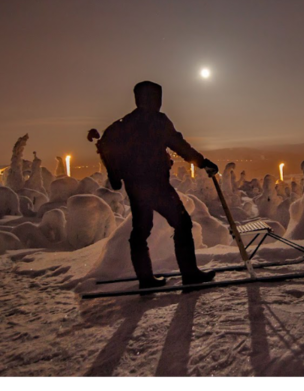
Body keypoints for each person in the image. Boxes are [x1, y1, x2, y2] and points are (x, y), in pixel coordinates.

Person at [88, 81, 219, 291]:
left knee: (141, 230)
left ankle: (146, 279)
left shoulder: (125, 123)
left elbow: (104, 144)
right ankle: (189, 274)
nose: (158, 102)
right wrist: (203, 163)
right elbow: (180, 146)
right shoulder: (158, 121)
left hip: (136, 186)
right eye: (156, 97)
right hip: (156, 185)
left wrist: (115, 175)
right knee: (182, 223)